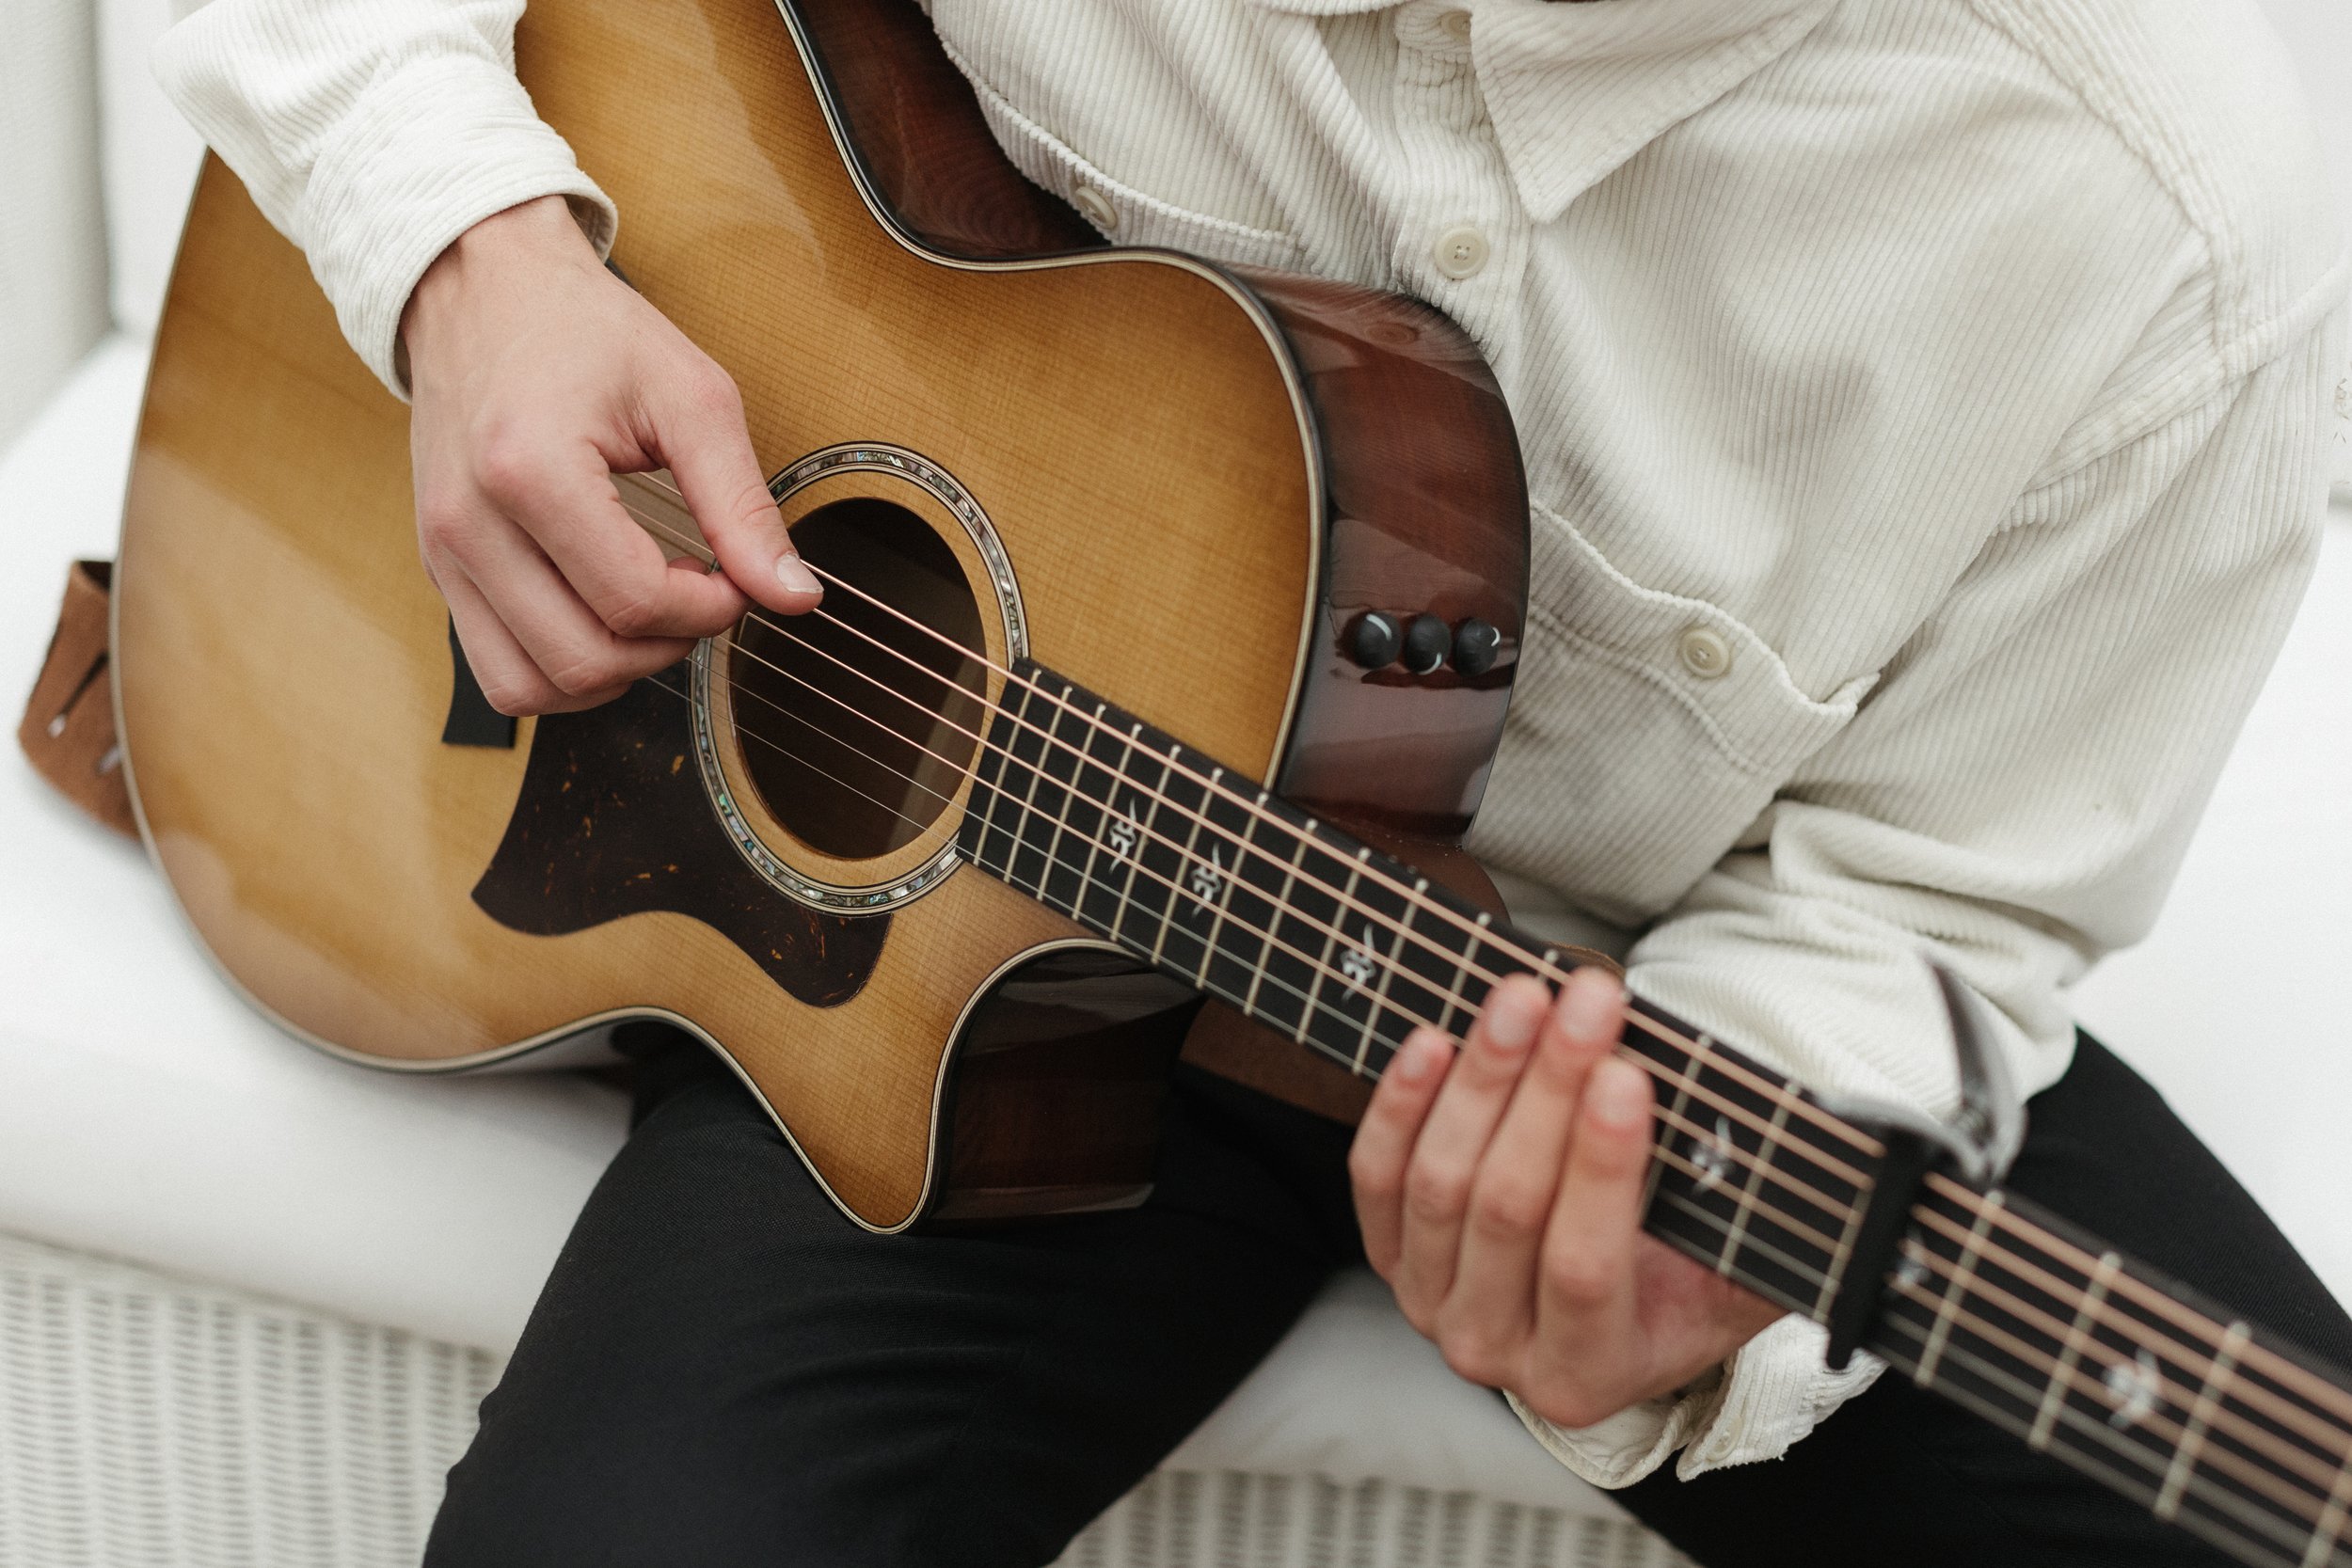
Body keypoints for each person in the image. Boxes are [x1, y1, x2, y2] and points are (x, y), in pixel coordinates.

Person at [153, 0, 2352, 1563]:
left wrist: (1671, 1313)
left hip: (1614, 1014)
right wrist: (469, 252)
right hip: (944, 982)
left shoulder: (2179, 225)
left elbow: (1926, 909)